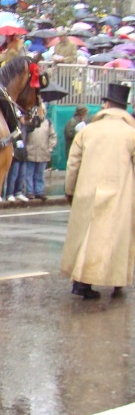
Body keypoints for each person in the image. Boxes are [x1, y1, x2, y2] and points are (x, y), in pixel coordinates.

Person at [61, 83, 135, 299]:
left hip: (87, 192)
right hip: (120, 194)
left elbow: (73, 165)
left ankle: (81, 281)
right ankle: (117, 281)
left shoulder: (88, 131)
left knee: (86, 237)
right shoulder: (131, 134)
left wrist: (70, 191)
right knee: (116, 238)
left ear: (107, 105)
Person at [24, 113, 56, 200]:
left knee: (40, 174)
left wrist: (50, 148)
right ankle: (30, 191)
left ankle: (39, 191)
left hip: (43, 152)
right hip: (30, 152)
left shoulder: (48, 123)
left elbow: (53, 136)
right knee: (29, 173)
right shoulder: (30, 122)